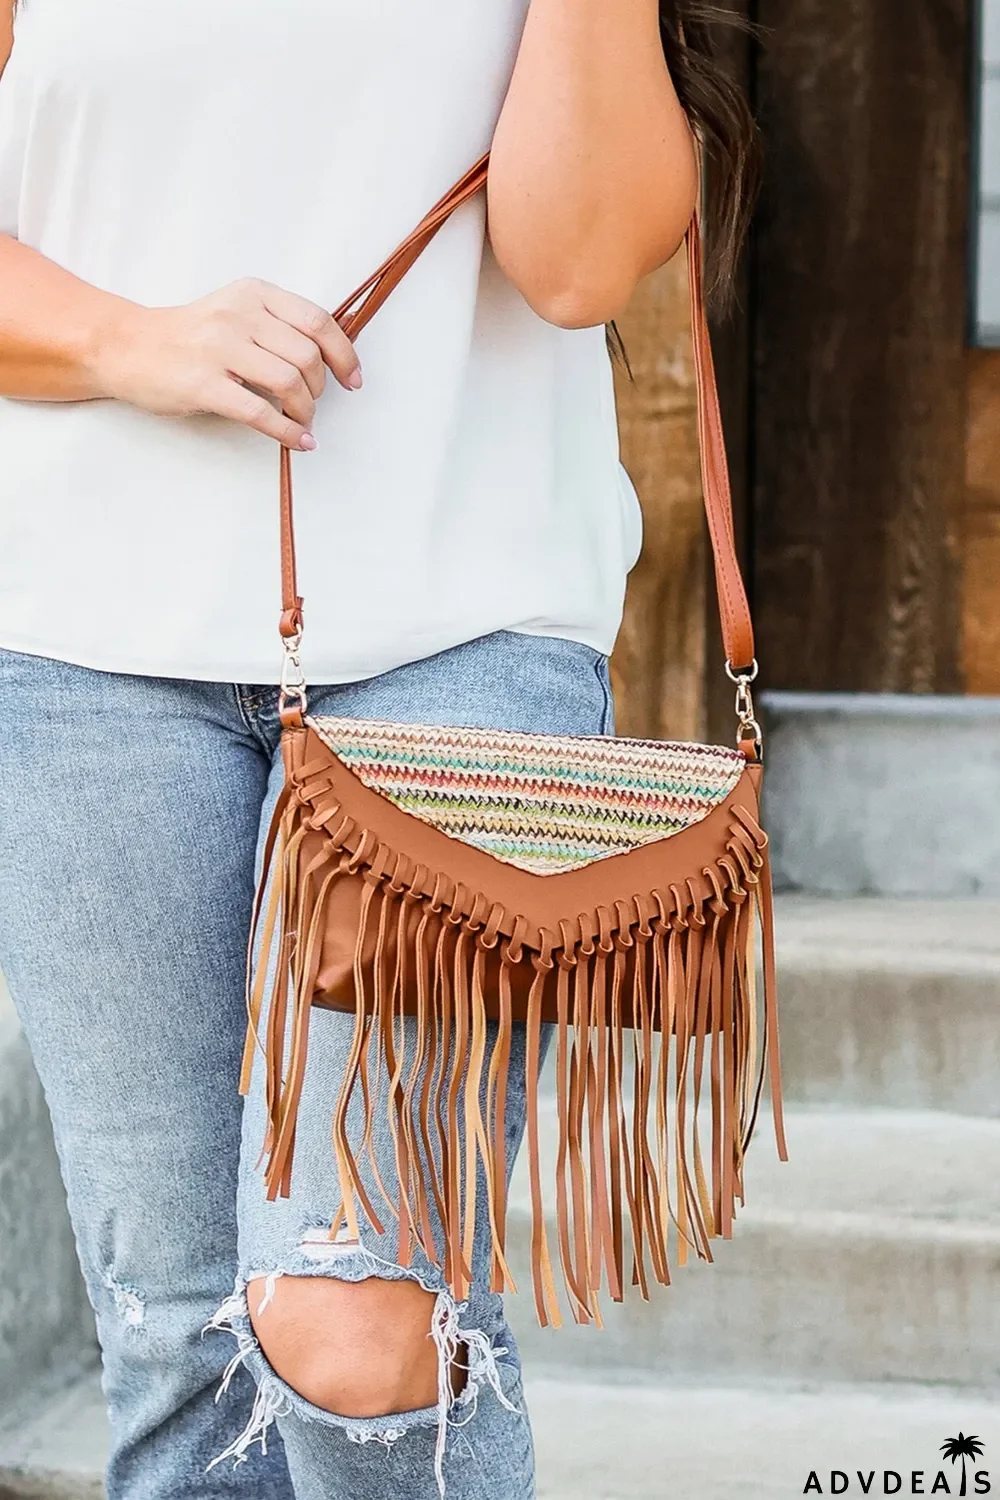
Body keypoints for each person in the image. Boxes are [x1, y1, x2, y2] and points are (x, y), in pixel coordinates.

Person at [0, 2, 757, 1496]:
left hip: (459, 636)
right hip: (84, 645)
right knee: (181, 1347)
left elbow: (580, 263)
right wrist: (131, 339)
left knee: (362, 1321)